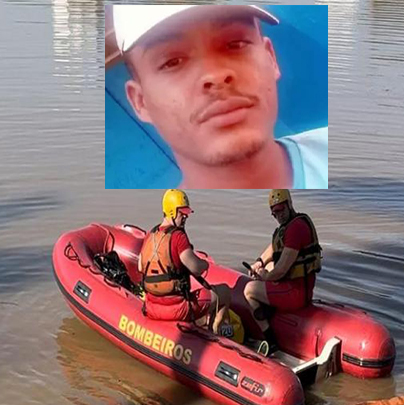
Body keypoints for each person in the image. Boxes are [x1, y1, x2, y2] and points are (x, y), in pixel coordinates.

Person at [112, 5, 328, 189]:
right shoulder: (157, 234)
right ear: (140, 102)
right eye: (172, 62)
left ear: (271, 59)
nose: (215, 76)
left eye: (236, 44)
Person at [138, 189, 230, 334]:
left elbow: (140, 266)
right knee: (224, 292)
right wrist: (205, 264)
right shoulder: (178, 237)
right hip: (177, 309)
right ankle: (217, 334)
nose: (186, 217)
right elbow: (196, 268)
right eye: (182, 213)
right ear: (172, 212)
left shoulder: (151, 234)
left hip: (151, 307)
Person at [243, 189, 321, 353]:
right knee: (267, 268)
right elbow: (275, 248)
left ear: (289, 204)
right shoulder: (291, 225)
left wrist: (265, 277)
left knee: (249, 290)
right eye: (274, 213)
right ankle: (270, 311)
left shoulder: (295, 229)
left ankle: (270, 341)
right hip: (300, 288)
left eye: (281, 210)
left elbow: (281, 269)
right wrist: (260, 262)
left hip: (296, 294)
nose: (279, 215)